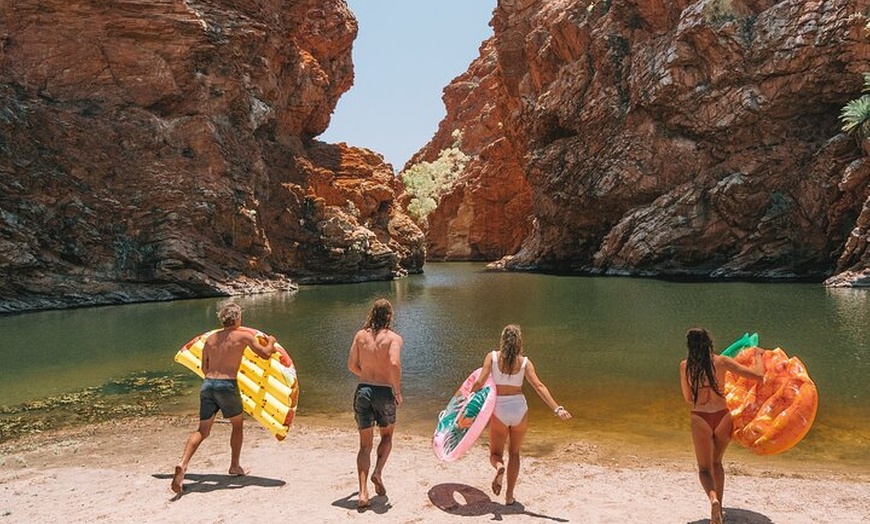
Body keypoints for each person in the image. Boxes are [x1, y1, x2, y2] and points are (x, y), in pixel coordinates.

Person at [171, 302, 277, 494]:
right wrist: (271, 340)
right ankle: (235, 465)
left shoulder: (210, 339)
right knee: (237, 425)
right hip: (227, 385)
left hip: (208, 385)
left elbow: (204, 368)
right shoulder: (244, 336)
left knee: (203, 430)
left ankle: (183, 463)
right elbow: (266, 354)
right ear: (237, 318)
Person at [470, 324, 572, 505]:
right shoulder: (525, 362)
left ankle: (499, 467)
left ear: (502, 340)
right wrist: (557, 409)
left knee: (495, 453)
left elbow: (480, 382)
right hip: (519, 409)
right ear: (519, 342)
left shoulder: (492, 357)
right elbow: (539, 386)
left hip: (499, 409)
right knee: (515, 453)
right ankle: (509, 496)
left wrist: (466, 398)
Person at [679, 327, 764, 524]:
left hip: (700, 418)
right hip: (722, 417)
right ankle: (719, 508)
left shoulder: (685, 366)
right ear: (709, 343)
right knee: (716, 463)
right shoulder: (722, 362)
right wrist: (758, 355)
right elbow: (758, 376)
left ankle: (713, 500)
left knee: (704, 468)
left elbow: (688, 398)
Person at [347, 298, 404, 510]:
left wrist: (367, 376)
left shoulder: (360, 336)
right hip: (384, 392)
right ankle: (378, 472)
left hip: (363, 391)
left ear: (371, 313)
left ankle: (362, 494)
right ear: (390, 316)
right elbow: (394, 362)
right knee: (387, 436)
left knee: (364, 445)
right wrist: (396, 391)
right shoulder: (394, 338)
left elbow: (351, 365)